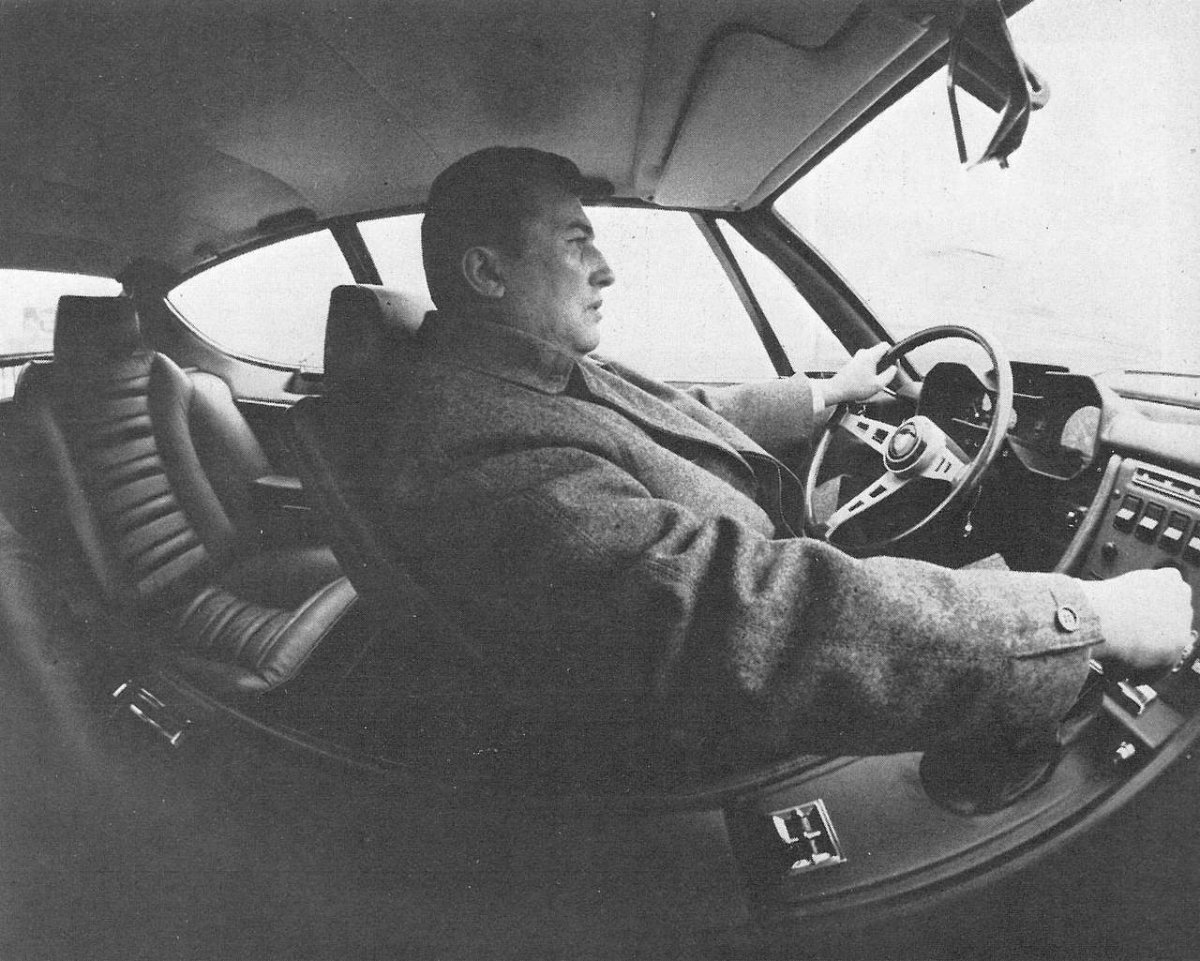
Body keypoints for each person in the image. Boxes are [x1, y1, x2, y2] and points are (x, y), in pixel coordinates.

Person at [370, 146, 1193, 786]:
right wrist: (1080, 618)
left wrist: (825, 394)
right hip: (730, 732)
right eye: (577, 241)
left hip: (767, 630)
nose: (605, 268)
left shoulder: (522, 378)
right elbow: (737, 616)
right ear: (487, 272)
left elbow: (680, 418)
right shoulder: (480, 442)